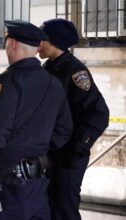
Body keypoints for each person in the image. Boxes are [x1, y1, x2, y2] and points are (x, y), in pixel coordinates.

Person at [0, 20, 74, 220]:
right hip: (38, 185)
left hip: (8, 187)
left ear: (13, 43)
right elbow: (64, 131)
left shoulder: (6, 83)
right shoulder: (54, 83)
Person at [39, 18, 110, 220]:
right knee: (49, 208)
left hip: (68, 155)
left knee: (64, 209)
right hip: (51, 152)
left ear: (54, 41)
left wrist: (77, 148)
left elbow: (98, 113)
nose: (38, 44)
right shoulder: (49, 68)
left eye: (42, 39)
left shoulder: (75, 71)